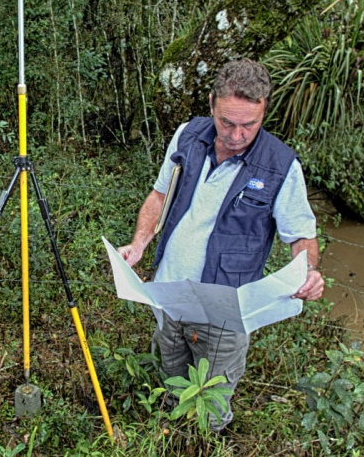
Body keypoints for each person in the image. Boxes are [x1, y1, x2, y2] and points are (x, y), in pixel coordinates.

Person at [117, 58, 324, 431]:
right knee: (169, 381)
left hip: (224, 309)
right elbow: (159, 195)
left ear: (264, 113)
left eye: (250, 125)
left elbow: (301, 235)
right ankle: (166, 437)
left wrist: (308, 272)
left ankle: (204, 442)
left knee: (209, 406)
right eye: (227, 122)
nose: (237, 135)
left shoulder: (280, 165)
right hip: (167, 293)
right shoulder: (187, 136)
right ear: (212, 103)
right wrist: (139, 243)